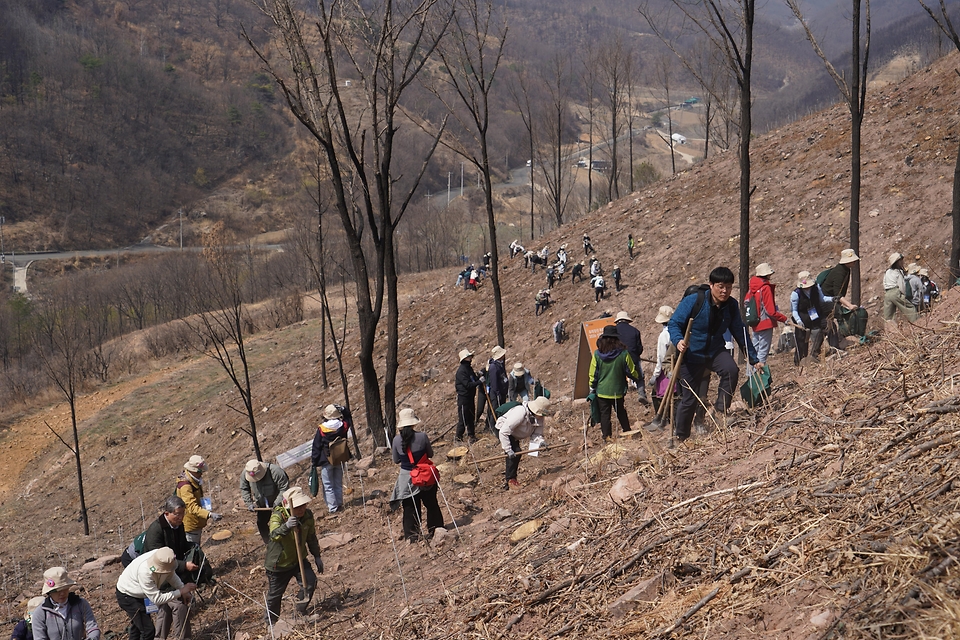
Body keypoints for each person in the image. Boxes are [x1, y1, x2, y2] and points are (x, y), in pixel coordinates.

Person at [668, 266, 759, 443]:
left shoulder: (731, 306)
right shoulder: (694, 301)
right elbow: (674, 323)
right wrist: (678, 340)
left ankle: (720, 410)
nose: (725, 291)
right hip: (691, 354)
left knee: (731, 370)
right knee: (690, 399)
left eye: (729, 287)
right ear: (711, 285)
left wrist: (753, 358)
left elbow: (740, 332)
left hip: (715, 351)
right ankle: (681, 437)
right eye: (720, 286)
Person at [139, 497, 199, 640]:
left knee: (165, 607)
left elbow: (182, 546)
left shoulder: (179, 526)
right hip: (158, 574)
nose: (180, 517)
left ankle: (160, 637)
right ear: (167, 513)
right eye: (177, 514)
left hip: (171, 573)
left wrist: (193, 549)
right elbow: (158, 559)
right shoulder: (156, 530)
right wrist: (184, 565)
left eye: (182, 513)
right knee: (179, 605)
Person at [265, 488, 323, 623]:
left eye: (303, 505)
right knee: (275, 596)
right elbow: (274, 535)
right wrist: (286, 526)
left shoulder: (307, 516)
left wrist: (317, 556)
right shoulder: (278, 516)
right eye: (298, 507)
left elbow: (311, 537)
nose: (301, 509)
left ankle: (299, 612)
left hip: (298, 560)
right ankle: (271, 623)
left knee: (310, 582)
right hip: (279, 564)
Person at [116, 548, 196, 640]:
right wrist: (181, 592)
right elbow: (157, 599)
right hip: (128, 595)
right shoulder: (145, 573)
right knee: (148, 631)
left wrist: (182, 588)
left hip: (139, 593)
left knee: (138, 628)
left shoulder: (163, 556)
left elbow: (171, 575)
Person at [389, 409, 444, 541]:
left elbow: (396, 460)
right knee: (431, 504)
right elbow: (430, 454)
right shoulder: (422, 436)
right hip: (424, 475)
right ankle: (436, 529)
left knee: (409, 508)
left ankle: (412, 535)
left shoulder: (396, 440)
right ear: (413, 423)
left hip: (407, 477)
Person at [589, 324, 641, 440]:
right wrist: (638, 378)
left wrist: (592, 386)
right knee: (621, 411)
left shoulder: (597, 355)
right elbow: (631, 370)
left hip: (602, 391)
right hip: (618, 390)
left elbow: (593, 374)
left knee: (605, 415)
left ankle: (607, 437)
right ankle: (627, 431)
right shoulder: (623, 353)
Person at [497, 396, 552, 489]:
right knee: (515, 452)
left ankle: (510, 479)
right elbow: (503, 432)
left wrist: (541, 442)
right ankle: (511, 480)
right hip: (504, 430)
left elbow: (536, 434)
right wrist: (508, 449)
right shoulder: (520, 413)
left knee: (517, 453)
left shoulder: (539, 418)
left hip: (515, 433)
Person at [32, 568, 99, 640]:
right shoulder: (40, 613)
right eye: (57, 591)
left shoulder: (81, 604)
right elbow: (39, 638)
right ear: (50, 592)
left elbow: (92, 628)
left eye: (65, 588)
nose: (62, 593)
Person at [791, 271, 839, 364]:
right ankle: (800, 361)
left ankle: (833, 349)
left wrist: (832, 299)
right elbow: (794, 310)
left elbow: (823, 299)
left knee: (829, 325)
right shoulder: (796, 294)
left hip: (816, 315)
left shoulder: (816, 288)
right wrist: (798, 321)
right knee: (801, 340)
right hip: (803, 318)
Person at [746, 263, 788, 365]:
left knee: (755, 349)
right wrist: (783, 318)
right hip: (765, 322)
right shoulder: (765, 288)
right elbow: (771, 311)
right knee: (763, 352)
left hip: (755, 322)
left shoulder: (752, 288)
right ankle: (759, 376)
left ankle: (750, 375)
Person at [241, 460, 290, 543]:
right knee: (261, 523)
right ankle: (269, 543)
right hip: (262, 504)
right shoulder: (246, 473)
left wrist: (277, 502)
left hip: (279, 503)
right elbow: (244, 488)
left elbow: (284, 488)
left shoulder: (275, 471)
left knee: (281, 523)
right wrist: (249, 503)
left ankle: (287, 542)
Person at [176, 455, 220, 545]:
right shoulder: (185, 486)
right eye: (200, 471)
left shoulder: (194, 480)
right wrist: (209, 514)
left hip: (197, 522)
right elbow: (191, 506)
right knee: (192, 552)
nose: (202, 473)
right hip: (190, 525)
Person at [311, 404, 347, 514]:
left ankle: (333, 508)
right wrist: (344, 409)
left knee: (328, 485)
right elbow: (348, 418)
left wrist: (314, 461)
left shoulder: (322, 429)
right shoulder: (343, 426)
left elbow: (316, 446)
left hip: (326, 460)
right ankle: (339, 503)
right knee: (337, 482)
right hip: (340, 457)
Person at [820, 249, 860, 348]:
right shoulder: (839, 272)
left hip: (833, 300)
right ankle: (839, 340)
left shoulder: (845, 270)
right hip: (826, 300)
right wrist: (849, 305)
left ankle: (836, 341)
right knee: (841, 314)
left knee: (831, 322)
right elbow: (837, 293)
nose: (854, 262)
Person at [648, 305, 674, 430]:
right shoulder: (677, 330)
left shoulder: (664, 335)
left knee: (658, 395)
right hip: (676, 367)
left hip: (667, 369)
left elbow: (662, 358)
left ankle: (664, 420)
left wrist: (655, 374)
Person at [614, 310, 648, 405]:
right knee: (639, 378)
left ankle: (617, 399)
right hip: (633, 358)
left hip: (617, 360)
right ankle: (641, 394)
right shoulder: (635, 331)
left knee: (617, 378)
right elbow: (639, 348)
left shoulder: (613, 331)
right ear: (627, 320)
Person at [454, 349, 481, 442]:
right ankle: (458, 437)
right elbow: (468, 384)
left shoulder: (469, 369)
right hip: (463, 398)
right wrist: (479, 382)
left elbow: (473, 379)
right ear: (465, 358)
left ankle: (471, 435)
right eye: (469, 357)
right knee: (463, 419)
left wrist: (478, 377)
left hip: (470, 397)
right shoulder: (461, 371)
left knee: (471, 417)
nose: (471, 358)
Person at [883, 253, 918, 322]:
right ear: (898, 262)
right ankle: (916, 323)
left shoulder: (888, 272)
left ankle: (889, 330)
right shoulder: (898, 272)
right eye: (901, 261)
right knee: (910, 308)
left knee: (888, 316)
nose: (903, 262)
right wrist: (904, 295)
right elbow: (901, 286)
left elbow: (884, 282)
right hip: (896, 292)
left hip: (887, 293)